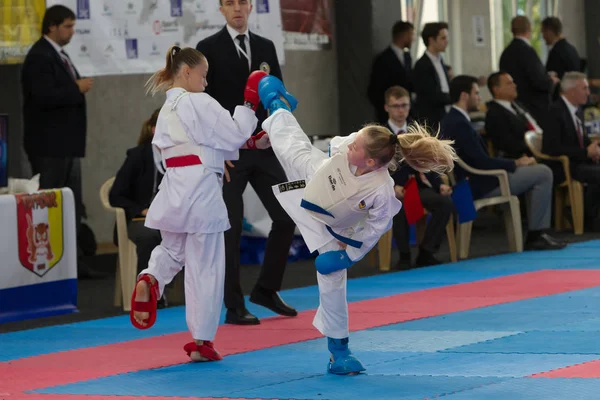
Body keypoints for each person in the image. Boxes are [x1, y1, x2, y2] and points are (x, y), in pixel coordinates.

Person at [257, 75, 456, 375]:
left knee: (334, 278)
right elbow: (336, 148)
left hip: (340, 229)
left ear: (373, 163)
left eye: (357, 148)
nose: (351, 146)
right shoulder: (355, 143)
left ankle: (339, 352)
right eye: (355, 142)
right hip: (318, 178)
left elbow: (376, 228)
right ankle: (277, 103)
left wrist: (347, 255)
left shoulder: (382, 191)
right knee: (292, 147)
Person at [129, 46, 268, 363]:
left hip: (175, 186)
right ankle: (202, 341)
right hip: (201, 189)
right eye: (203, 76)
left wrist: (250, 143)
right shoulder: (200, 101)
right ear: (187, 72)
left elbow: (207, 143)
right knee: (205, 264)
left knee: (173, 249)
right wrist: (249, 103)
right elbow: (231, 134)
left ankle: (152, 276)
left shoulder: (167, 109)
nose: (206, 83)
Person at [196, 0, 297, 326]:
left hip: (263, 147)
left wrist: (276, 133)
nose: (237, 8)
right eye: (230, 3)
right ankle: (233, 305)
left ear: (251, 7)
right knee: (231, 225)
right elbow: (203, 102)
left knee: (286, 214)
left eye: (242, 2)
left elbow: (277, 98)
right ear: (221, 9)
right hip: (228, 152)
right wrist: (215, 146)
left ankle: (267, 288)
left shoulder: (266, 47)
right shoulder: (207, 48)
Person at [441, 75, 566, 251]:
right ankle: (536, 235)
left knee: (538, 171)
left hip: (477, 179)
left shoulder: (453, 119)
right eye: (476, 93)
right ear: (464, 96)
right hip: (481, 183)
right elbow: (481, 162)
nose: (480, 98)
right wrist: (515, 164)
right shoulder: (458, 123)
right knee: (543, 173)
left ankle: (537, 232)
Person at [21, 4, 95, 277]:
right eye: (68, 26)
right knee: (50, 205)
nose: (72, 32)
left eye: (74, 26)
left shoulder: (58, 55)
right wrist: (75, 88)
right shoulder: (40, 57)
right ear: (51, 26)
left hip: (66, 145)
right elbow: (43, 96)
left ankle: (72, 262)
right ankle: (51, 261)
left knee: (69, 205)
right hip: (49, 147)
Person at [384, 86, 455, 269]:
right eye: (396, 106)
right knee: (397, 205)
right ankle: (404, 255)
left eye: (404, 105)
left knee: (445, 203)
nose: (400, 110)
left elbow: (428, 162)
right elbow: (375, 167)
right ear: (387, 108)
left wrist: (439, 184)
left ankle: (426, 251)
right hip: (392, 188)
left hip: (418, 185)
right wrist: (390, 187)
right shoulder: (380, 134)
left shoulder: (417, 131)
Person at [109, 109, 163, 275]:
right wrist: (141, 210)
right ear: (154, 129)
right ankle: (148, 289)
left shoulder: (181, 156)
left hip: (168, 219)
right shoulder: (137, 156)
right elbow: (115, 195)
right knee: (151, 236)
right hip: (138, 220)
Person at [499, 16, 558, 123]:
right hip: (534, 110)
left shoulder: (506, 53)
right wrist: (551, 81)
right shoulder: (527, 52)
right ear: (529, 29)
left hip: (514, 109)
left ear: (512, 30)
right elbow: (540, 82)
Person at [368, 21, 415, 124]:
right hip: (387, 118)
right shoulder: (383, 59)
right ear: (403, 35)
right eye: (411, 34)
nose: (413, 39)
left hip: (407, 117)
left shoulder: (407, 57)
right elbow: (375, 90)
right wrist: (389, 108)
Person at [413, 22, 451, 129]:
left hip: (444, 115)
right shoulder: (422, 65)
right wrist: (455, 97)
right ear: (431, 40)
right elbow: (431, 95)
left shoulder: (440, 60)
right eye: (443, 38)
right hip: (432, 120)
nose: (446, 41)